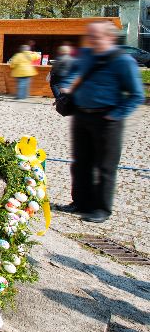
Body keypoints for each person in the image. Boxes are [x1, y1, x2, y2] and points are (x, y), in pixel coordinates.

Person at [59, 21, 144, 223]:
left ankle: (101, 209)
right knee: (80, 163)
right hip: (81, 116)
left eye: (95, 36)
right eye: (89, 36)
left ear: (110, 37)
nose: (91, 40)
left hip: (107, 119)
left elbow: (136, 95)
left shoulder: (123, 61)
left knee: (105, 167)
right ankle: (80, 202)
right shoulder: (86, 54)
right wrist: (67, 86)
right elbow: (73, 74)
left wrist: (116, 114)